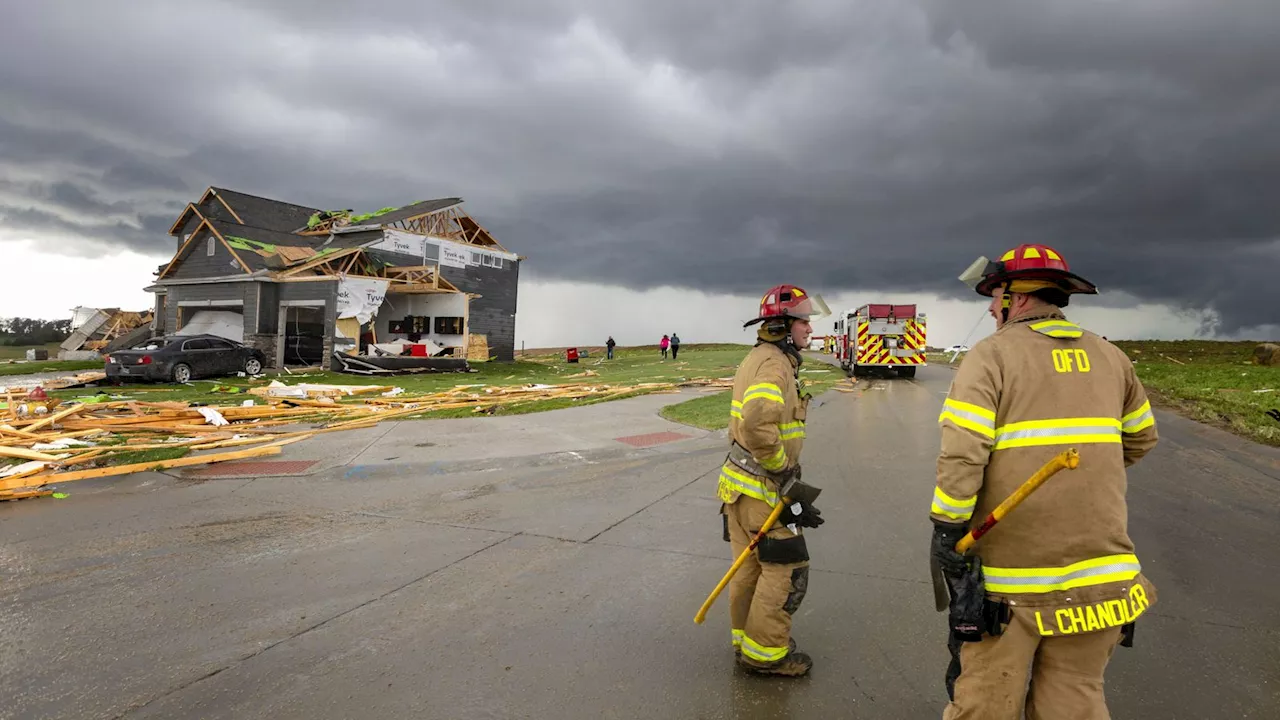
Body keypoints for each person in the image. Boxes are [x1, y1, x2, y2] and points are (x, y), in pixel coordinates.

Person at [930, 244, 1160, 719]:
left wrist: (947, 530)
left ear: (1016, 297)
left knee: (987, 704)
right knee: (1074, 700)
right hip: (1102, 581)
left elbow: (962, 456)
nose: (991, 308)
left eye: (994, 296)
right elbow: (1139, 441)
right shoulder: (1112, 358)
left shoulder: (990, 356)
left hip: (1011, 586)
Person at [718, 284, 830, 677]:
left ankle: (746, 642)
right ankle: (766, 654)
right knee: (787, 569)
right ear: (783, 326)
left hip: (739, 489)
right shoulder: (775, 365)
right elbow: (756, 421)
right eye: (803, 322)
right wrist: (782, 468)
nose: (809, 329)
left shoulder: (759, 357)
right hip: (762, 489)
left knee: (748, 568)